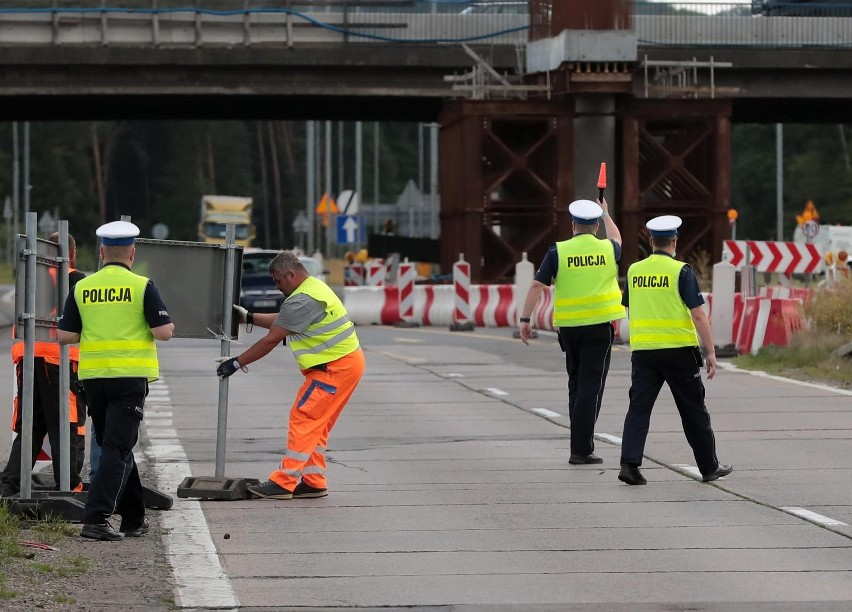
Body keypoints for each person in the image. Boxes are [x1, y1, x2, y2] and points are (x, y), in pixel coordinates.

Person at [58, 221, 174, 541]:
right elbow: (163, 332)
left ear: (101, 252)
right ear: (132, 253)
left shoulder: (83, 287)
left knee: (116, 445)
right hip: (128, 378)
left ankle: (134, 518)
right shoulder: (142, 286)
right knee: (117, 447)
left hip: (94, 378)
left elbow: (65, 335)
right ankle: (95, 518)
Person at [217, 250, 365, 500]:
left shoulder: (301, 299)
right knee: (316, 426)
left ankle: (283, 482)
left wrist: (235, 363)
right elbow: (285, 320)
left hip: (332, 369)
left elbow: (272, 339)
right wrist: (250, 317)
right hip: (345, 365)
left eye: (278, 280)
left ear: (291, 274)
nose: (276, 287)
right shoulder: (314, 288)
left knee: (304, 419)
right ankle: (314, 481)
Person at [618, 215, 732, 486]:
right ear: (675, 241)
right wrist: (711, 352)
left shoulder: (635, 270)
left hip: (644, 351)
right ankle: (708, 466)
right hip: (679, 351)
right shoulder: (681, 271)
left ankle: (629, 465)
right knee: (693, 410)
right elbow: (698, 315)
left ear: (650, 240)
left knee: (639, 408)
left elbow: (628, 306)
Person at [518, 198, 625, 465]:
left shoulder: (558, 251)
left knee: (576, 384)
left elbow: (536, 286)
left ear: (572, 224)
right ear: (596, 226)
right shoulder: (607, 249)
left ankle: (579, 444)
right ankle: (581, 449)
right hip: (599, 327)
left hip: (569, 330)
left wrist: (525, 318)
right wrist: (607, 213)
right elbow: (618, 238)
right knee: (591, 386)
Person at [0, 233, 87, 498]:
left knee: (32, 424)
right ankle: (68, 485)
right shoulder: (75, 278)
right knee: (67, 424)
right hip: (60, 360)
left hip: (28, 358)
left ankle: (10, 484)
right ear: (71, 254)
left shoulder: (30, 277)